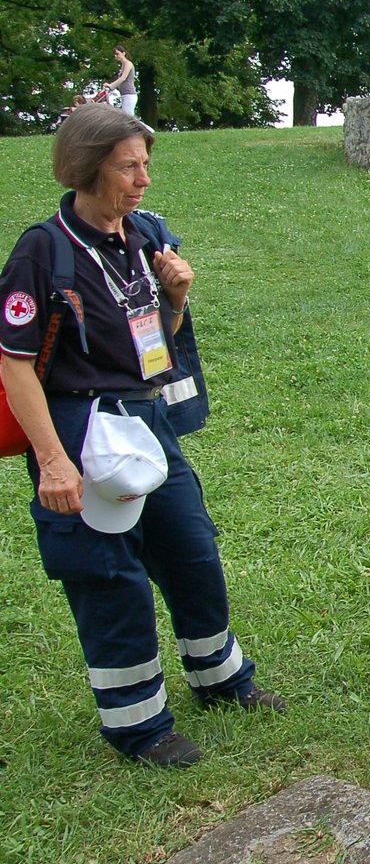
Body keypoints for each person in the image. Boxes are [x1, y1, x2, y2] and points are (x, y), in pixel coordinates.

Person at [0, 104, 283, 770]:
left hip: (148, 420)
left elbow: (157, 339)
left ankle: (220, 679)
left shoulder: (146, 234)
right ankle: (138, 726)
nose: (143, 180)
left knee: (191, 548)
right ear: (89, 168)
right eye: (129, 166)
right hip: (82, 426)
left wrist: (177, 299)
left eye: (146, 164)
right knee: (108, 576)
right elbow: (13, 364)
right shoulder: (43, 251)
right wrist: (53, 463)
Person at [108, 46, 137, 118]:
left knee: (129, 118)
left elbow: (123, 78)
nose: (115, 56)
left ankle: (149, 129)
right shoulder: (122, 66)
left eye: (117, 54)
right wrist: (109, 86)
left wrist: (110, 86)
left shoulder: (128, 64)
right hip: (124, 94)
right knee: (127, 118)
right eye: (114, 54)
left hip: (129, 94)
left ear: (123, 53)